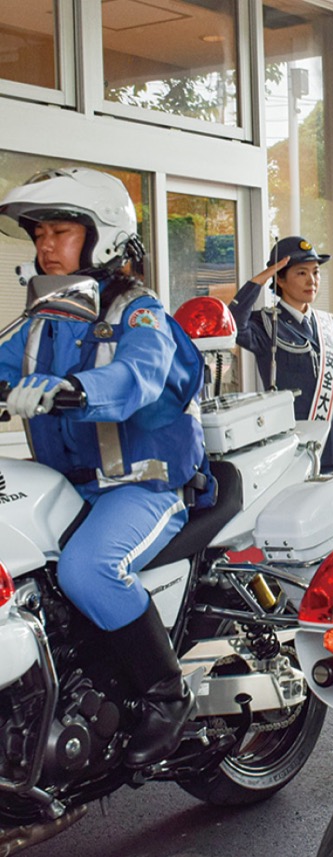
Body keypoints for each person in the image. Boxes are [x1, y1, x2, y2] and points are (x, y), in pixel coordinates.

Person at [0, 167, 213, 765]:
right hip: (69, 489)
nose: (45, 246)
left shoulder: (138, 313)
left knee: (88, 572)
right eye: (39, 234)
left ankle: (167, 695)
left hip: (142, 488)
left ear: (103, 236)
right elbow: (2, 360)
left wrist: (67, 388)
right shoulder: (47, 318)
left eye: (60, 232)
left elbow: (136, 377)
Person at [228, 236, 333, 473]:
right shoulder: (266, 323)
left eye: (315, 272)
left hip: (330, 446)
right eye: (301, 273)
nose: (312, 281)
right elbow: (232, 322)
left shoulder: (330, 326)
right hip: (290, 447)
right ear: (281, 280)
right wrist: (261, 279)